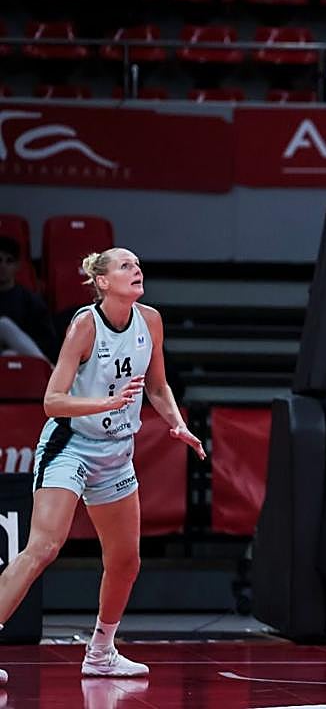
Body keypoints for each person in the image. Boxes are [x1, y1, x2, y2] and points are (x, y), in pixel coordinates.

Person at [0, 248, 206, 683]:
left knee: (126, 560)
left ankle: (100, 651)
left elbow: (158, 385)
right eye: (125, 266)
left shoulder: (150, 321)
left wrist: (178, 424)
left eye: (137, 264)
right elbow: (51, 401)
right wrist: (105, 403)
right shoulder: (84, 326)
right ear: (103, 282)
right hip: (72, 444)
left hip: (116, 454)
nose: (137, 270)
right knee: (44, 547)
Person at [0, 236, 56, 361]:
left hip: (24, 359)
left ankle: (48, 368)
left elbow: (47, 341)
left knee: (9, 355)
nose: (3, 266)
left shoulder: (30, 300)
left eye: (9, 261)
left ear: (17, 266)